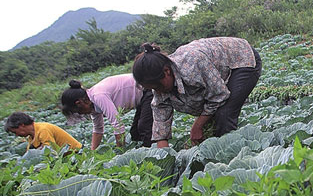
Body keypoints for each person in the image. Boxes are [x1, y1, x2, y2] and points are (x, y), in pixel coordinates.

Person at [132, 37, 262, 147]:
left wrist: (197, 126)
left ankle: (227, 153)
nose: (157, 91)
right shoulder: (160, 85)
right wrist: (164, 158)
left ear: (166, 71)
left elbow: (220, 95)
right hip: (217, 67)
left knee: (225, 112)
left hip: (241, 60)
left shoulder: (193, 65)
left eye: (157, 86)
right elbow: (161, 120)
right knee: (212, 114)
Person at [60, 73, 153, 150]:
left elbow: (118, 125)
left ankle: (153, 153)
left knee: (145, 128)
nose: (81, 114)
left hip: (147, 88)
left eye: (78, 111)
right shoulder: (91, 103)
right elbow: (98, 129)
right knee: (135, 133)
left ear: (79, 103)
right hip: (141, 98)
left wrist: (120, 152)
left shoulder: (98, 96)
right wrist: (93, 153)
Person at [4, 112, 82, 153]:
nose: (17, 135)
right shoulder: (31, 136)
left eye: (15, 132)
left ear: (21, 125)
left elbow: (50, 151)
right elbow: (30, 154)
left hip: (76, 153)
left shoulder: (43, 130)